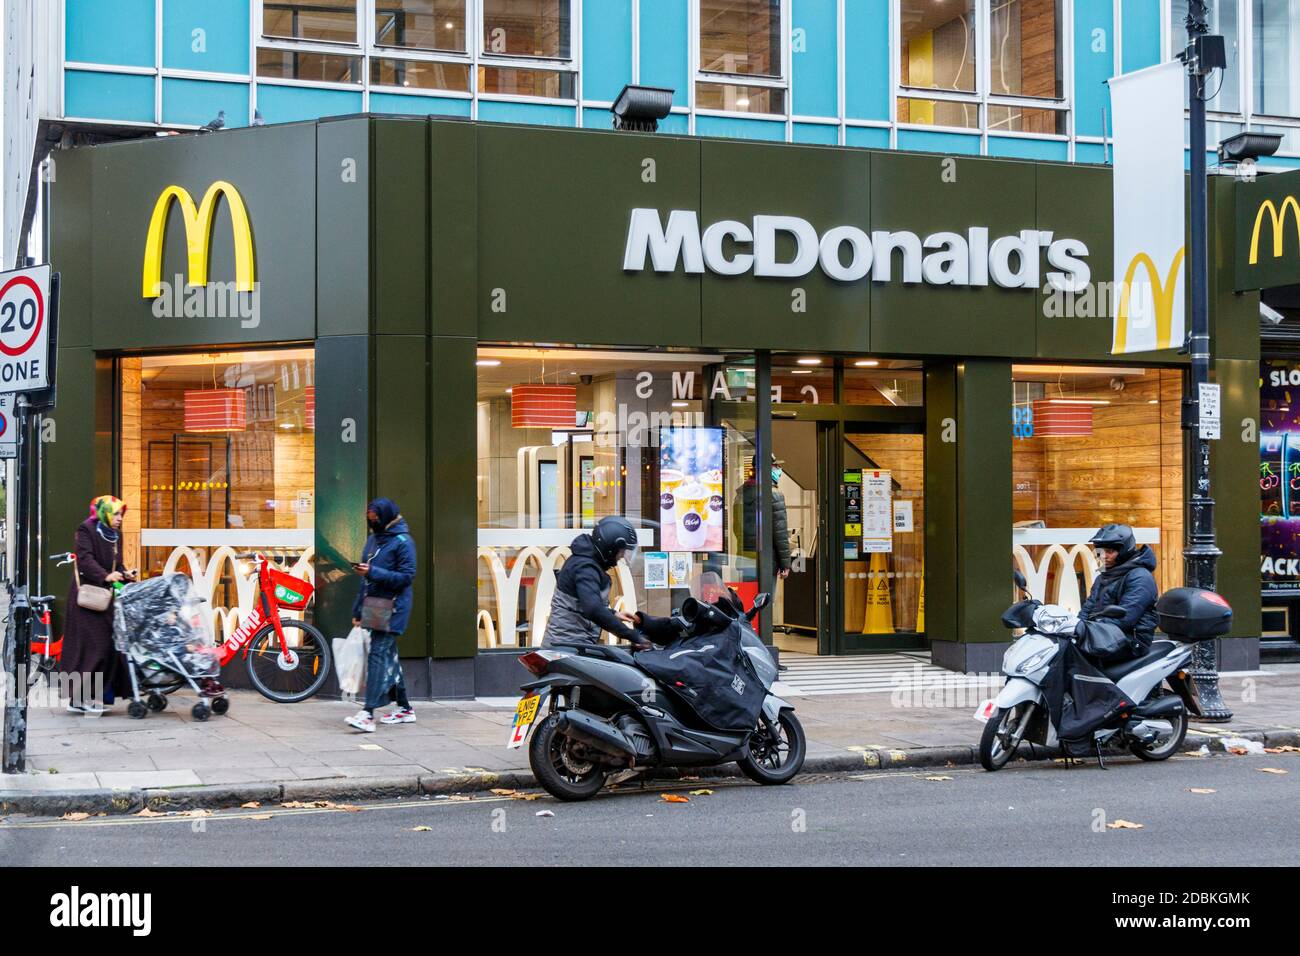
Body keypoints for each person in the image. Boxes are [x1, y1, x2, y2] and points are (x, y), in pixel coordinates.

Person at [345, 498, 417, 733]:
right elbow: (366, 580)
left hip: (394, 607)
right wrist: (358, 610)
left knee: (378, 655)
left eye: (375, 519)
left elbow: (406, 576)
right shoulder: (374, 539)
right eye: (370, 519)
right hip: (375, 605)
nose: (372, 523)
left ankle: (367, 713)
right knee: (389, 658)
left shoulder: (403, 542)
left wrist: (373, 571)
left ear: (386, 517)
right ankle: (405, 708)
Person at [61, 495, 135, 714]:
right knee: (92, 647)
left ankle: (92, 696)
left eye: (122, 514)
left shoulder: (115, 535)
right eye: (116, 514)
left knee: (107, 647)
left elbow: (116, 563)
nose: (120, 518)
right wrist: (106, 576)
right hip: (87, 600)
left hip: (105, 600)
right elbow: (84, 559)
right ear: (104, 513)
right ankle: (81, 698)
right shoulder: (86, 529)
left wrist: (124, 574)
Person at [542, 516, 647, 648]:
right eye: (621, 551)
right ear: (610, 548)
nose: (622, 556)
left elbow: (581, 604)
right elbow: (593, 609)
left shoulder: (587, 562)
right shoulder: (585, 568)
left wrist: (614, 614)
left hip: (570, 643)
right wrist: (632, 635)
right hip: (567, 647)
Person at [1079, 523, 1159, 655]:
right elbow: (1088, 607)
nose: (1103, 556)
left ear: (1124, 551)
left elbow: (1125, 618)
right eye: (1100, 552)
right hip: (1104, 634)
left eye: (1110, 551)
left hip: (1131, 641)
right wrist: (1076, 627)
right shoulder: (1104, 576)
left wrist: (1087, 629)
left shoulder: (1140, 577)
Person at [734, 453, 792, 580]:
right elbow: (780, 533)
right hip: (767, 561)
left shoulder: (740, 494)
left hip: (745, 559)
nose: (778, 470)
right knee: (766, 598)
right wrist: (785, 564)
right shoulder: (774, 495)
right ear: (768, 469)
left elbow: (736, 528)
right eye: (775, 466)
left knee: (749, 598)